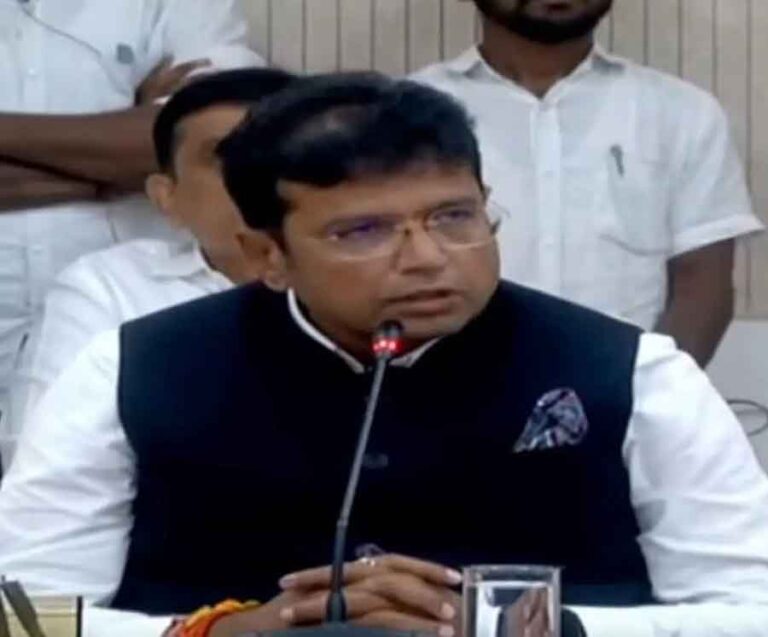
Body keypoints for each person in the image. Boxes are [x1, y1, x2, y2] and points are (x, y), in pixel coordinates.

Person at [1, 74, 768, 637]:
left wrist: (526, 624)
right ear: (267, 255)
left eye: (455, 216)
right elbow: (22, 611)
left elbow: (751, 607)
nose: (428, 257)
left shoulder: (632, 371)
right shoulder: (133, 368)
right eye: (362, 232)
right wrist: (215, 630)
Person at [413, 0, 762, 367]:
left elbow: (703, 285)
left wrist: (650, 389)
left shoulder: (682, 112)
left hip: (628, 390)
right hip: (447, 391)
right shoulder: (408, 115)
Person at [1, 68, 296, 470]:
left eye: (284, 152)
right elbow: (51, 473)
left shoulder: (375, 278)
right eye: (224, 156)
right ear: (167, 198)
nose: (257, 176)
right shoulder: (110, 290)